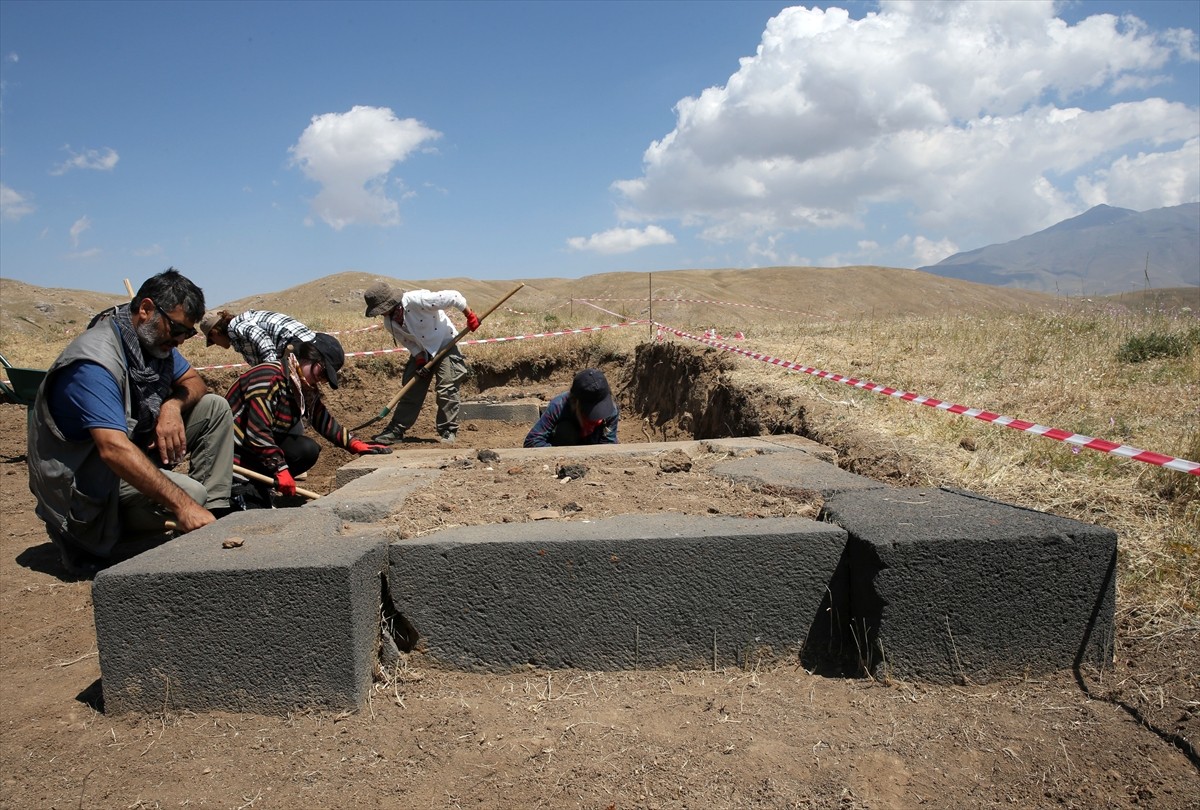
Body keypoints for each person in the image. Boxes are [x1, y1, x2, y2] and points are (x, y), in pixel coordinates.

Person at [27, 268, 236, 575]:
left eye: (187, 334)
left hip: (120, 460)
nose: (180, 341)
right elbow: (112, 449)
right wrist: (183, 505)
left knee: (213, 408)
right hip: (84, 487)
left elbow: (194, 382)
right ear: (146, 309)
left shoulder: (152, 343)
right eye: (177, 329)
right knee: (190, 495)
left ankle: (213, 519)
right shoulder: (94, 363)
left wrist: (172, 407)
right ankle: (92, 539)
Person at [224, 332, 391, 507]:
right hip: (233, 455)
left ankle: (262, 484)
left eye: (326, 378)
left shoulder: (300, 384)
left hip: (256, 451)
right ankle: (247, 486)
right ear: (309, 357)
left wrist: (354, 444)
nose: (322, 380)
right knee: (251, 510)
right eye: (323, 372)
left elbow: (321, 417)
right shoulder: (268, 377)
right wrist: (280, 469)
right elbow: (257, 431)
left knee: (307, 450)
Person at [362, 282, 481, 445]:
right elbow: (408, 342)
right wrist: (419, 358)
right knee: (411, 388)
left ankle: (448, 430)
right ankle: (396, 430)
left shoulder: (417, 300)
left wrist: (469, 315)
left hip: (446, 343)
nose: (380, 314)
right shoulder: (389, 323)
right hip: (423, 351)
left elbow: (453, 296)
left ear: (389, 303)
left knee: (447, 386)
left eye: (381, 310)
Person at [524, 368, 619, 447]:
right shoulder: (559, 405)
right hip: (564, 448)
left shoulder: (612, 409)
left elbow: (609, 446)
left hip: (594, 449)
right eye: (590, 413)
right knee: (566, 430)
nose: (599, 420)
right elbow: (532, 442)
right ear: (575, 403)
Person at [198, 309, 317, 366]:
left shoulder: (236, 325)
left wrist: (270, 370)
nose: (217, 345)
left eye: (213, 341)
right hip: (303, 346)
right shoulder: (237, 337)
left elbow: (262, 338)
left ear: (214, 333)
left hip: (302, 346)